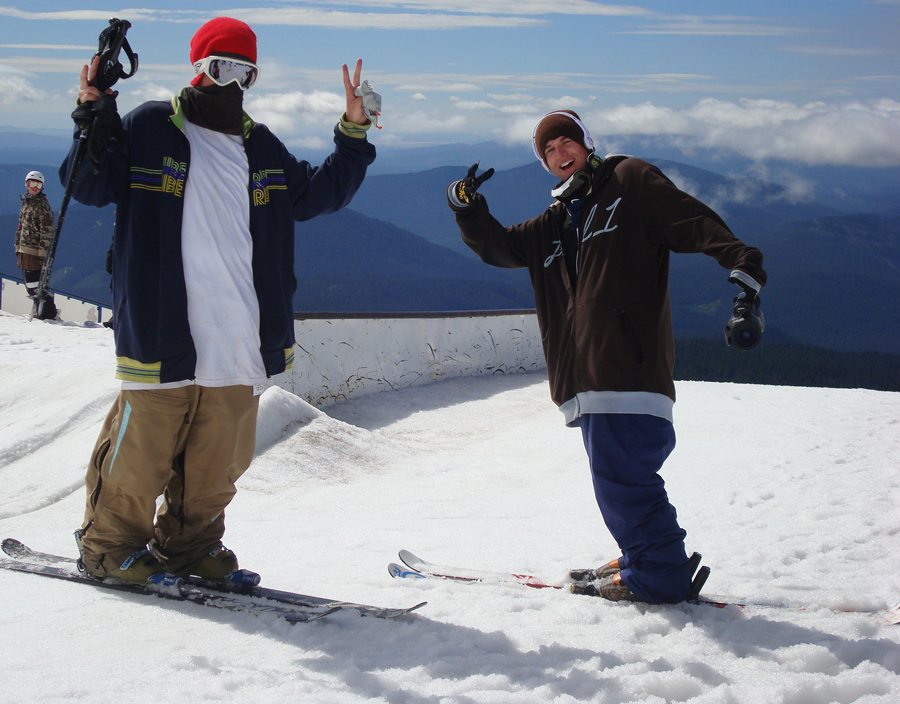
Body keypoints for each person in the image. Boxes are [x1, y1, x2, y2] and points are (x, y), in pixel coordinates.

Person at [61, 17, 376, 585]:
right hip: (162, 327)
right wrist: (94, 112)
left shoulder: (260, 146)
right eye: (221, 67)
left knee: (218, 460)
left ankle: (191, 547)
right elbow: (87, 185)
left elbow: (317, 193)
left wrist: (353, 130)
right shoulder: (150, 126)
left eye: (243, 72)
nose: (231, 82)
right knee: (143, 449)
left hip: (239, 334)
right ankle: (108, 547)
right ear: (198, 68)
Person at [446, 110, 766, 604]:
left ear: (587, 144)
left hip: (626, 369)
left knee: (624, 481)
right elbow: (501, 247)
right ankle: (646, 556)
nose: (559, 153)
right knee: (619, 479)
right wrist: (467, 207)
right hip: (587, 378)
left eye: (566, 141)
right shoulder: (554, 222)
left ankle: (658, 574)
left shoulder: (628, 180)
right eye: (548, 150)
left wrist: (744, 265)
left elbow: (690, 219)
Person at [15, 170, 54, 305]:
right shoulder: (27, 202)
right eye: (32, 183)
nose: (35, 188)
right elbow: (21, 226)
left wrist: (42, 254)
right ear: (26, 184)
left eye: (38, 185)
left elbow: (46, 232)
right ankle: (40, 310)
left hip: (34, 251)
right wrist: (17, 245)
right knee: (30, 284)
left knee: (34, 285)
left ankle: (47, 311)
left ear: (42, 186)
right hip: (24, 249)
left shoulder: (42, 205)